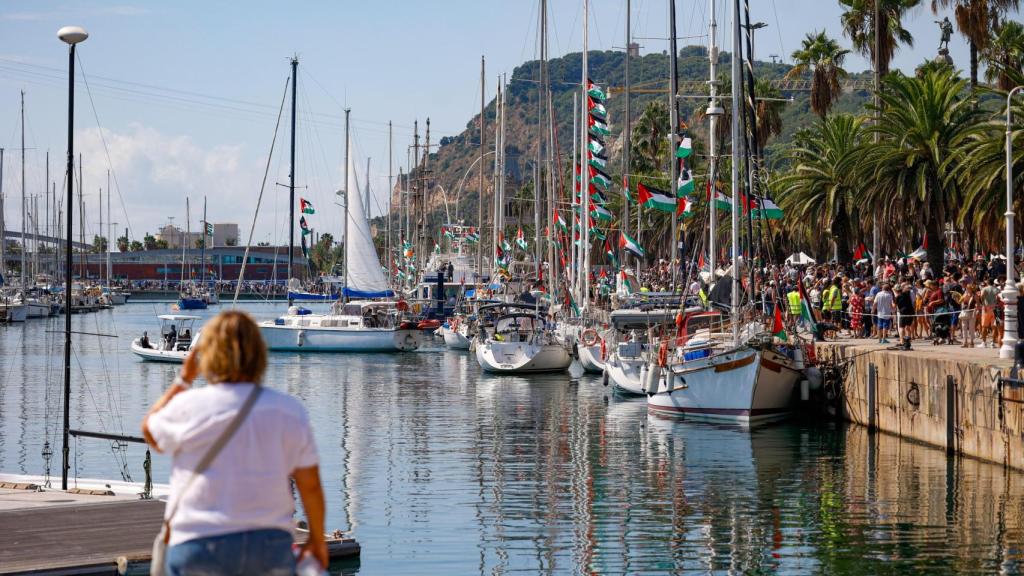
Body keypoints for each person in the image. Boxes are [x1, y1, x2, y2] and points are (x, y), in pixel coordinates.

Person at [142, 311, 327, 575]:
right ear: (260, 353)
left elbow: (150, 430)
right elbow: (310, 485)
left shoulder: (187, 407)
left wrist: (184, 379)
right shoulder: (288, 410)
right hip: (268, 546)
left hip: (197, 543)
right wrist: (318, 540)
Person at [895, 283, 915, 350]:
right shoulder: (907, 294)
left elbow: (893, 306)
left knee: (901, 327)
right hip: (911, 311)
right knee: (908, 327)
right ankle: (908, 341)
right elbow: (908, 289)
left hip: (904, 313)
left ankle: (902, 341)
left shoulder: (898, 297)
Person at [959, 284, 977, 348]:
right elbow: (959, 302)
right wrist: (963, 298)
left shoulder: (974, 296)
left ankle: (972, 341)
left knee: (971, 327)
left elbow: (978, 304)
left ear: (971, 289)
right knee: (964, 327)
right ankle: (965, 341)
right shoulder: (964, 294)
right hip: (964, 312)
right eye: (967, 288)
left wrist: (975, 309)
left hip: (972, 312)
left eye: (968, 288)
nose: (967, 289)